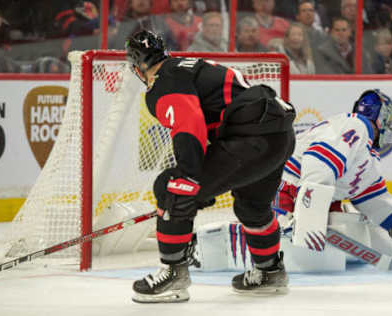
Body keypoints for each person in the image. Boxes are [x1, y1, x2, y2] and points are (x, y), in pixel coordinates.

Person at [188, 89, 392, 273]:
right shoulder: (355, 126)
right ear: (382, 120)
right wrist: (310, 216)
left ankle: (283, 236)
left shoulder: (366, 155)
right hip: (284, 187)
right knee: (298, 253)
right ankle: (210, 242)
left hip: (312, 195)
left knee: (375, 244)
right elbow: (318, 163)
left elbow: (374, 203)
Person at [125, 30, 296, 303]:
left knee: (171, 187)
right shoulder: (189, 65)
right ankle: (270, 271)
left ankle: (174, 273)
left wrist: (190, 180)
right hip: (278, 136)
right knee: (251, 207)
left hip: (251, 139)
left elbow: (189, 124)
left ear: (137, 68)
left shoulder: (163, 81)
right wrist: (202, 184)